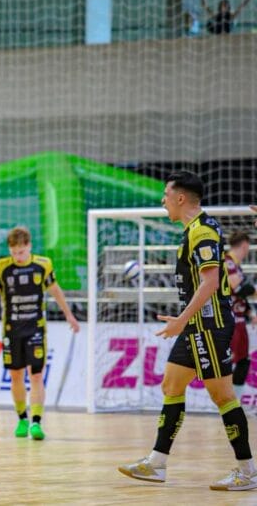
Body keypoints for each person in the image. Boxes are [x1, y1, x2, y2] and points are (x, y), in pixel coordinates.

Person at [118, 171, 257, 491]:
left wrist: (181, 319)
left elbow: (210, 283)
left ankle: (247, 469)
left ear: (181, 198)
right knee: (171, 383)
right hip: (195, 324)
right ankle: (156, 463)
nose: (162, 201)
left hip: (209, 324)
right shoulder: (193, 229)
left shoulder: (202, 231)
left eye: (166, 195)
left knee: (222, 395)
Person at [0, 225, 80, 441]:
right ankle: (22, 418)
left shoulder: (42, 265)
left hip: (35, 328)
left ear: (29, 246)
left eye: (22, 252)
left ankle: (36, 422)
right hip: (11, 330)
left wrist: (69, 315)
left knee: (36, 375)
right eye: (14, 253)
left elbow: (55, 290)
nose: (18, 257)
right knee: (16, 374)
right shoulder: (0, 267)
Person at [225, 231, 256, 404]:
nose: (247, 251)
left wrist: (249, 312)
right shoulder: (227, 262)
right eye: (247, 247)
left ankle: (234, 403)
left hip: (239, 321)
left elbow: (241, 293)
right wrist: (251, 290)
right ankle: (225, 403)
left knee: (243, 361)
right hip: (229, 322)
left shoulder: (237, 266)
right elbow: (237, 289)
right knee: (228, 363)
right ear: (244, 245)